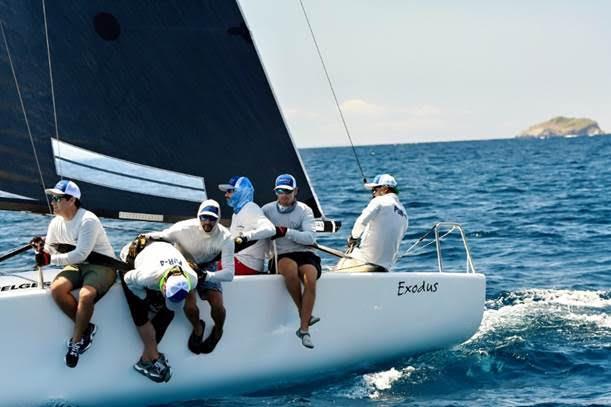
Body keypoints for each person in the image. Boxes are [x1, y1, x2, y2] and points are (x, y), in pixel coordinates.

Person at [30, 180, 117, 368]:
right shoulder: (55, 223)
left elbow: (81, 253)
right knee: (57, 289)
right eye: (52, 198)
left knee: (86, 295)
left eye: (56, 198)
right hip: (77, 266)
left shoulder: (88, 220)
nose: (52, 202)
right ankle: (87, 328)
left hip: (102, 266)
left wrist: (49, 260)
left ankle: (76, 343)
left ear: (71, 200)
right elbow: (50, 251)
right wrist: (41, 251)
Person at [146, 199, 234, 354]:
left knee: (218, 305)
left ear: (218, 219)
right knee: (190, 306)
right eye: (204, 217)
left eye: (212, 218)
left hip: (208, 267)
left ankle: (218, 330)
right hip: (184, 265)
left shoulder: (226, 237)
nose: (207, 222)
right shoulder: (182, 228)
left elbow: (229, 274)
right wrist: (144, 238)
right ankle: (198, 328)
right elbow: (161, 236)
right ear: (198, 216)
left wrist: (206, 275)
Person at [120, 240, 199, 383]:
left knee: (169, 310)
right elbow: (127, 278)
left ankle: (148, 357)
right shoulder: (147, 277)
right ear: (163, 287)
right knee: (139, 309)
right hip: (133, 257)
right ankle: (149, 358)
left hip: (165, 251)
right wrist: (144, 298)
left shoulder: (192, 279)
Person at [262, 174, 321, 349]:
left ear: (295, 191)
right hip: (281, 254)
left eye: (288, 191)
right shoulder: (266, 210)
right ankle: (305, 314)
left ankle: (303, 330)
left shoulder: (305, 210)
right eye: (280, 191)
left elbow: (310, 237)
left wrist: (286, 232)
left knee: (310, 277)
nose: (284, 195)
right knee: (290, 269)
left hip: (305, 252)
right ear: (275, 192)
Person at [335, 174, 408, 273]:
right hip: (385, 267)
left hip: (366, 261)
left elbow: (361, 221)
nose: (373, 193)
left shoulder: (379, 201)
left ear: (385, 189)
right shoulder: (404, 213)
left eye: (375, 189)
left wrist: (353, 238)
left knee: (338, 269)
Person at [218, 176, 275, 275]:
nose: (226, 195)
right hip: (238, 260)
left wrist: (246, 237)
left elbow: (270, 229)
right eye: (226, 192)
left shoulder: (251, 208)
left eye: (230, 191)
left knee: (210, 267)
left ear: (241, 192)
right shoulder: (236, 213)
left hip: (249, 264)